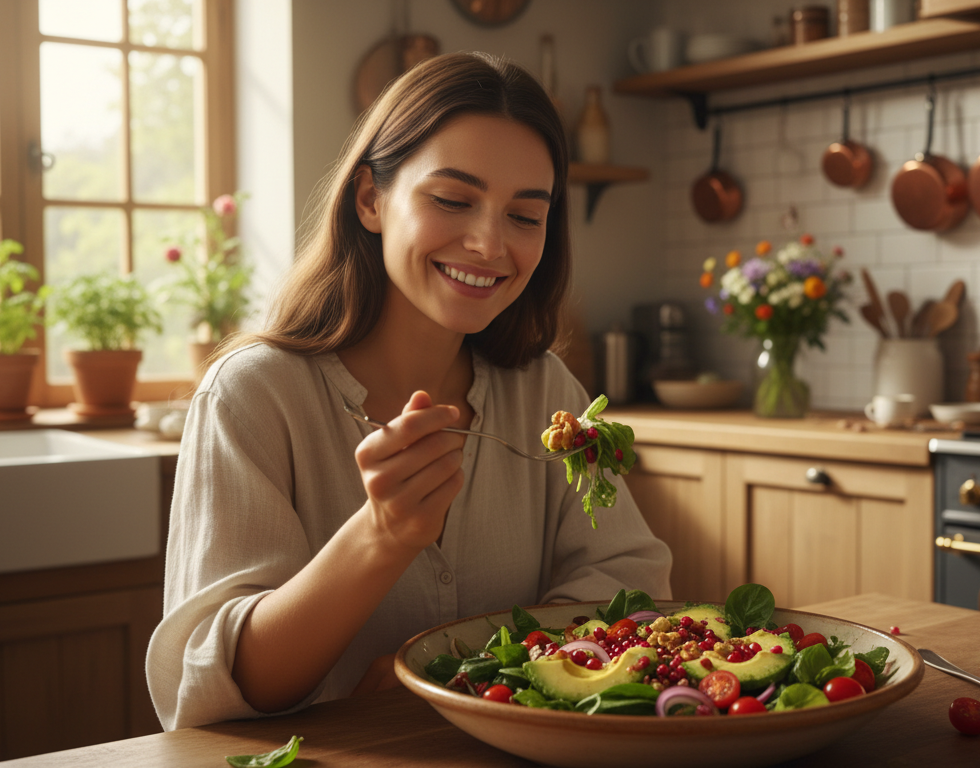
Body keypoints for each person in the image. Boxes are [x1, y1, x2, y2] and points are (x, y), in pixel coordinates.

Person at [145, 52, 673, 731]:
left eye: (525, 215)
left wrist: (463, 665)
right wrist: (381, 535)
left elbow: (629, 582)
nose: (489, 244)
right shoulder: (252, 396)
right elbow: (212, 690)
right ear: (371, 199)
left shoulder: (546, 390)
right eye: (452, 200)